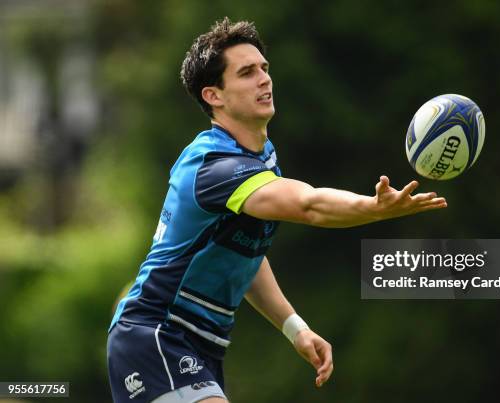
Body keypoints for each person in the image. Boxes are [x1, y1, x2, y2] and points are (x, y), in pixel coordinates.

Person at [107, 17, 447, 403]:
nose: (264, 79)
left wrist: (294, 327)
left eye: (264, 69)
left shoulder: (260, 159)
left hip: (200, 344)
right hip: (156, 333)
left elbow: (245, 254)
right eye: (247, 73)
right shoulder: (215, 167)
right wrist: (372, 207)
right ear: (213, 96)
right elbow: (309, 205)